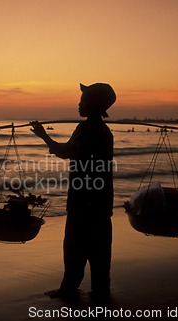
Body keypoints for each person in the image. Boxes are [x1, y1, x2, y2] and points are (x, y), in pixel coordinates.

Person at [31, 83, 115, 301]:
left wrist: (42, 135)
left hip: (83, 198)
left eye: (83, 100)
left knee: (75, 246)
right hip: (101, 199)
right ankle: (100, 290)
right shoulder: (105, 131)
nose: (79, 103)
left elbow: (64, 152)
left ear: (94, 104)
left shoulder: (86, 130)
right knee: (99, 250)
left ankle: (69, 289)